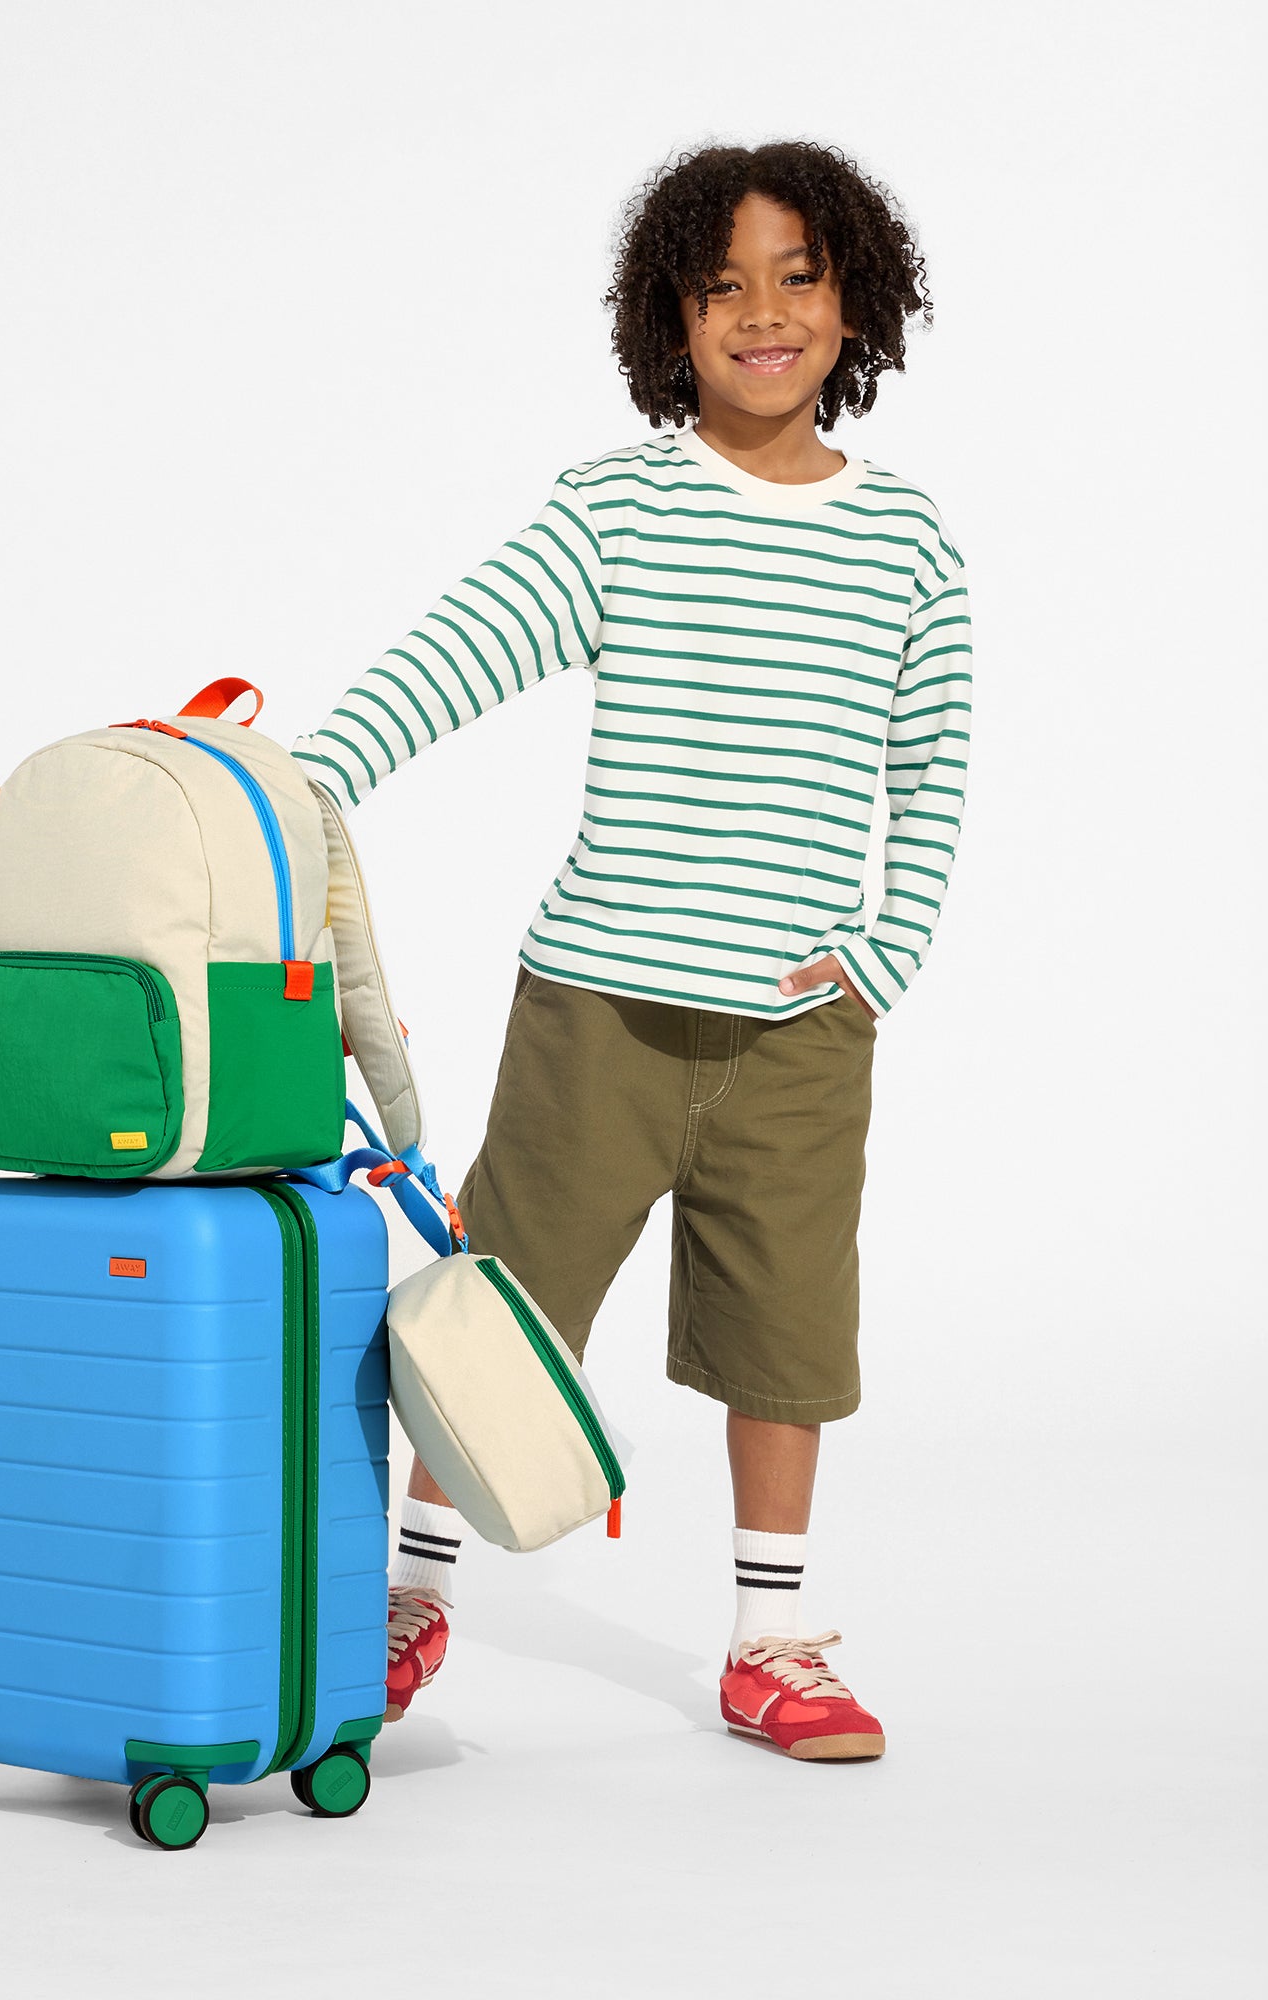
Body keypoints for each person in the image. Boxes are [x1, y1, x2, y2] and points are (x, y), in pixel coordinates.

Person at [292, 140, 970, 1762]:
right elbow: (459, 648)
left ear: (855, 299)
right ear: (669, 319)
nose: (760, 311)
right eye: (719, 282)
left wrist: (887, 949)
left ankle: (774, 1642)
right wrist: (302, 787)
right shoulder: (619, 507)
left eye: (797, 275)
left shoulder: (909, 542)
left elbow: (932, 763)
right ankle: (409, 1598)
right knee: (500, 1314)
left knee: (788, 1338)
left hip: (799, 1035)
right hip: (596, 1011)